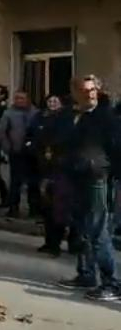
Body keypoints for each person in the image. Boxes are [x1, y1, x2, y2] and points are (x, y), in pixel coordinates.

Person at [57, 75, 121, 301]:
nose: (89, 94)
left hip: (97, 179)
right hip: (78, 178)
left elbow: (116, 148)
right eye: (84, 90)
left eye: (93, 90)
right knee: (83, 230)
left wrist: (109, 173)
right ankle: (86, 274)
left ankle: (112, 283)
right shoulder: (77, 117)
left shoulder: (106, 117)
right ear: (75, 93)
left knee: (98, 231)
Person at [28, 94, 71, 257]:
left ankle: (57, 244)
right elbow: (34, 137)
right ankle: (49, 242)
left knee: (58, 210)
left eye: (56, 100)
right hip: (44, 168)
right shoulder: (40, 117)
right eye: (50, 101)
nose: (52, 103)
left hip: (60, 170)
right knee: (47, 209)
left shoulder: (65, 120)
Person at [0, 91, 39, 218]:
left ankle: (34, 209)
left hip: (32, 153)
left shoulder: (35, 113)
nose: (19, 101)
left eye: (22, 98)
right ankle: (13, 208)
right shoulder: (9, 113)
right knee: (15, 182)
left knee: (33, 182)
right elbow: (1, 133)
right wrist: (8, 147)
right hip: (16, 152)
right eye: (17, 98)